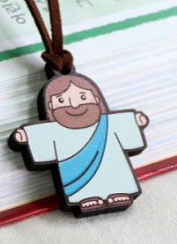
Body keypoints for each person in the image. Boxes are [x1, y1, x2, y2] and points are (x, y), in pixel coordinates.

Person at [10, 72, 148, 217]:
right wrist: (26, 137)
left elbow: (126, 124)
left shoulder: (109, 122)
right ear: (50, 106)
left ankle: (120, 192)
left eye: (83, 97)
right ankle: (86, 197)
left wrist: (136, 122)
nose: (75, 105)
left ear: (96, 99)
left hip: (113, 163)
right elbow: (39, 135)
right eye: (62, 100)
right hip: (76, 179)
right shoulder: (54, 129)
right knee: (80, 186)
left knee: (115, 172)